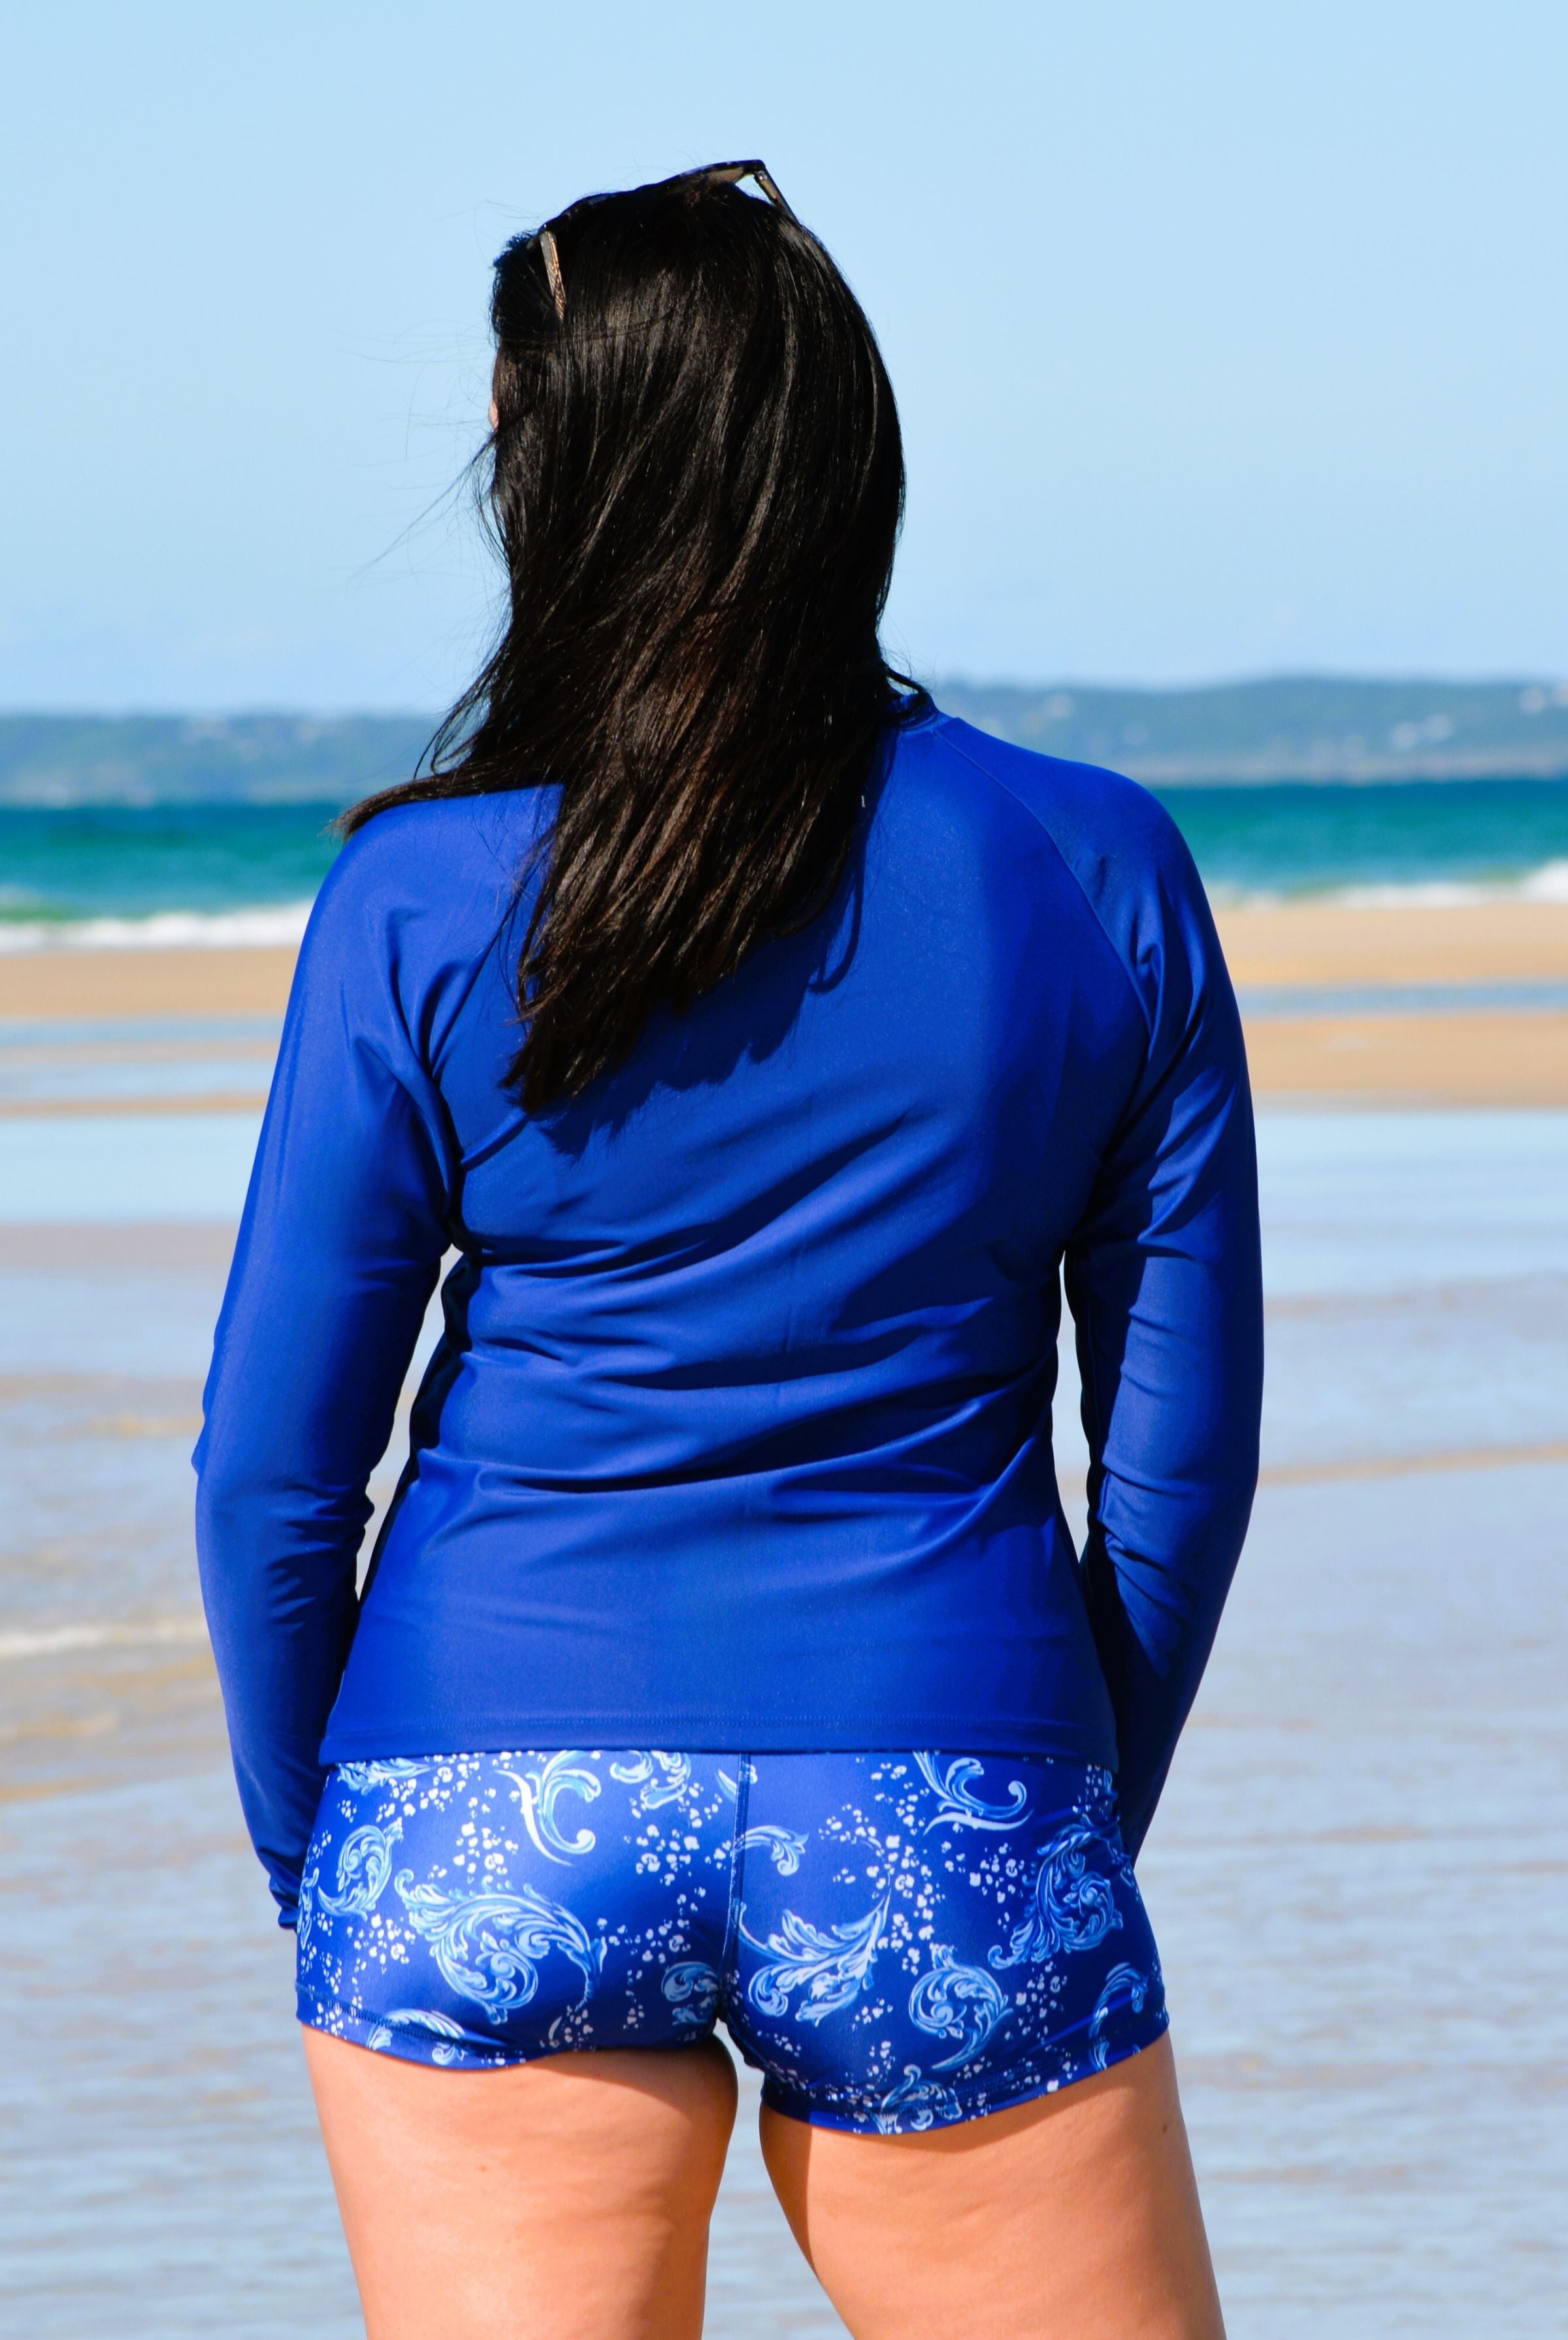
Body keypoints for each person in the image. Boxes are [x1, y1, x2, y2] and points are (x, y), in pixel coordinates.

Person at [195, 161, 1262, 2340]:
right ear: (844, 455)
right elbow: (1172, 1471)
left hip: (477, 1793)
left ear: (561, 479)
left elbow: (268, 1472)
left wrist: (340, 1859)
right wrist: (1050, 1794)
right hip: (945, 1773)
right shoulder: (1098, 864)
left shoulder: (418, 895)